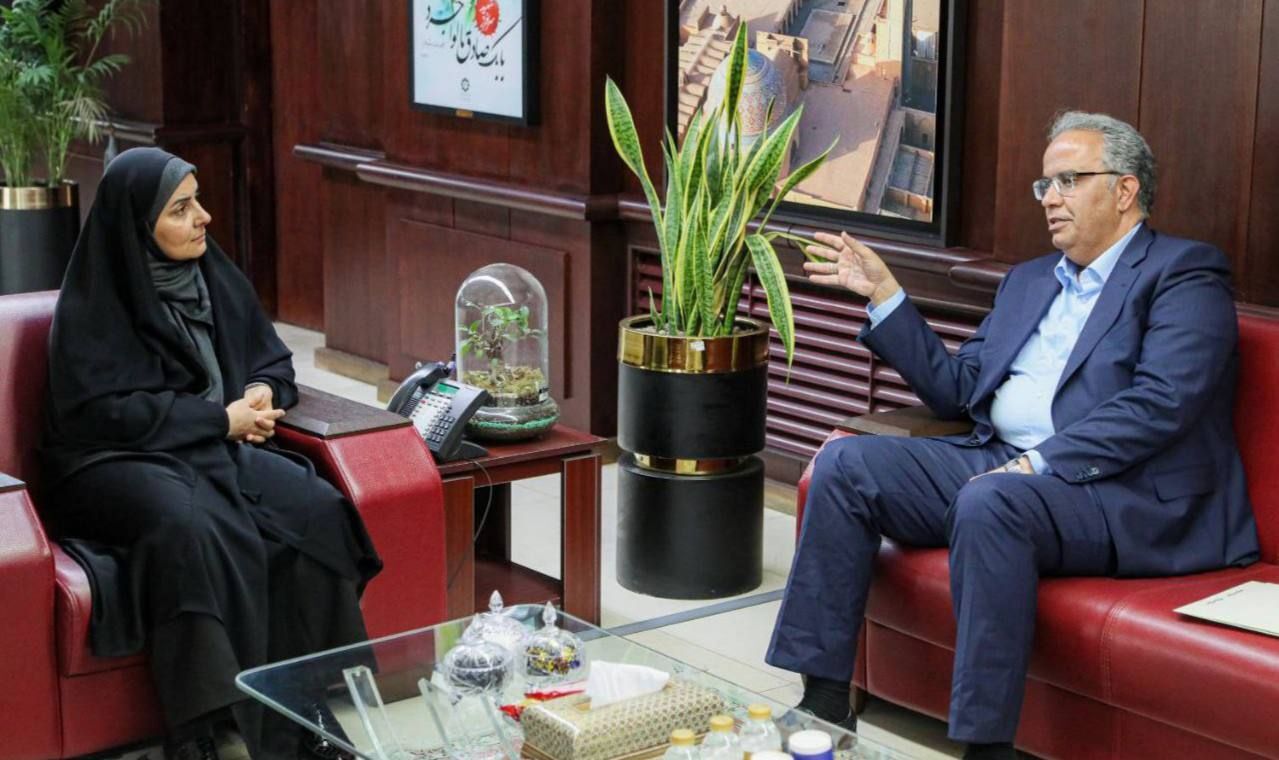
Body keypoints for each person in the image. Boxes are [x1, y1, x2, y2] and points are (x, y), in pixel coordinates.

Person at [767, 111, 1259, 759]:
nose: (1049, 198)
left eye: (1068, 181)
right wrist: (885, 294)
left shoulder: (1184, 273)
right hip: (1002, 463)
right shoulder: (1030, 280)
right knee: (844, 464)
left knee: (990, 500)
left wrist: (1038, 463)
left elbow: (1163, 402)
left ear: (1124, 190)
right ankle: (824, 703)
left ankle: (986, 747)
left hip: (1118, 492)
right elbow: (957, 391)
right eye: (1044, 185)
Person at [41, 148, 382, 760]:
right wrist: (219, 420)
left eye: (196, 200)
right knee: (191, 527)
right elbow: (102, 413)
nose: (203, 217)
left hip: (210, 446)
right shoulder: (94, 303)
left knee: (312, 507)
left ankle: (310, 704)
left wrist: (262, 390)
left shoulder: (214, 276)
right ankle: (204, 729)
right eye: (180, 209)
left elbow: (272, 358)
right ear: (138, 226)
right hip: (110, 460)